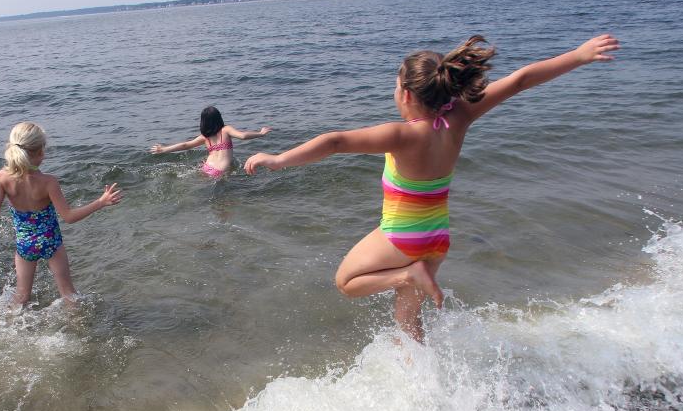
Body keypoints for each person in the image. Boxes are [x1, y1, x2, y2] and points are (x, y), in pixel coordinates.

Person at [244, 34, 620, 341]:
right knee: (408, 321)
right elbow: (520, 80)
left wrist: (278, 159)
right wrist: (579, 55)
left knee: (346, 282)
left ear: (406, 95)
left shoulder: (403, 135)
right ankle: (423, 383)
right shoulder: (460, 117)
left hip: (402, 236)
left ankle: (407, 274)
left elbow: (336, 141)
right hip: (437, 239)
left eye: (395, 84)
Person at [0, 122, 122, 306]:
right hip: (51, 242)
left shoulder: (2, 177)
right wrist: (100, 202)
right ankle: (77, 330)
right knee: (68, 294)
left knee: (21, 296)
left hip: (25, 244)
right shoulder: (48, 182)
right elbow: (69, 217)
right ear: (40, 152)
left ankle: (6, 327)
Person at [150, 106, 271, 179]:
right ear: (219, 118)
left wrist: (164, 149)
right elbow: (243, 136)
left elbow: (185, 145)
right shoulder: (226, 130)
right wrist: (260, 133)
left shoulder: (205, 137)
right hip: (221, 171)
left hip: (206, 168)